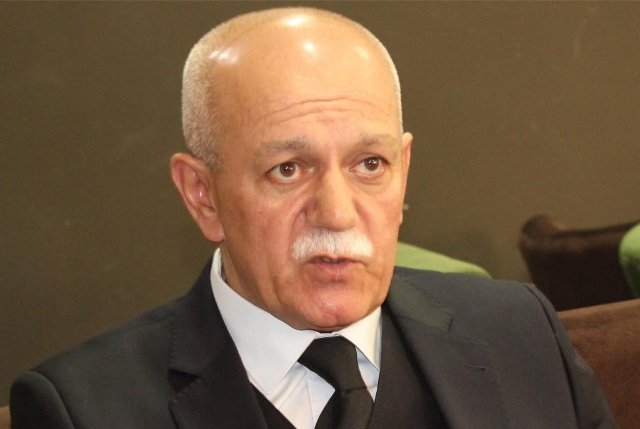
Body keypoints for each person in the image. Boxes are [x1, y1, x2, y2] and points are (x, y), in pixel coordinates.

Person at [10, 7, 615, 429]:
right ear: (202, 196)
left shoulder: (521, 335)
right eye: (288, 170)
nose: (337, 212)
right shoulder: (84, 410)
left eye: (370, 164)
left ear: (404, 169)